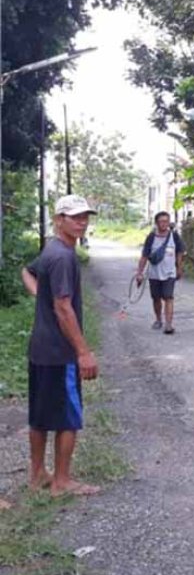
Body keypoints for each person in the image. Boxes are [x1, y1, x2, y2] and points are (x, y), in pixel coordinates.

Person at [20, 194, 100, 496]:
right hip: (59, 351)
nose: (82, 222)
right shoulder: (63, 257)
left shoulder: (51, 250)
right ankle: (62, 481)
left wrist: (40, 294)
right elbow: (63, 307)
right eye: (75, 217)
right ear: (59, 220)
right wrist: (83, 352)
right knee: (68, 417)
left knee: (40, 416)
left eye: (85, 216)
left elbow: (27, 271)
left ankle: (38, 474)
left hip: (39, 348)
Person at [136, 211, 185, 335]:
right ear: (156, 223)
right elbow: (144, 256)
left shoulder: (174, 236)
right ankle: (158, 319)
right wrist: (139, 273)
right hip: (154, 274)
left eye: (166, 221)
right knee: (156, 298)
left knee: (168, 297)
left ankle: (168, 324)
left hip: (169, 273)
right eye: (161, 221)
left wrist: (179, 268)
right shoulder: (151, 237)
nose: (164, 224)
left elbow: (180, 252)